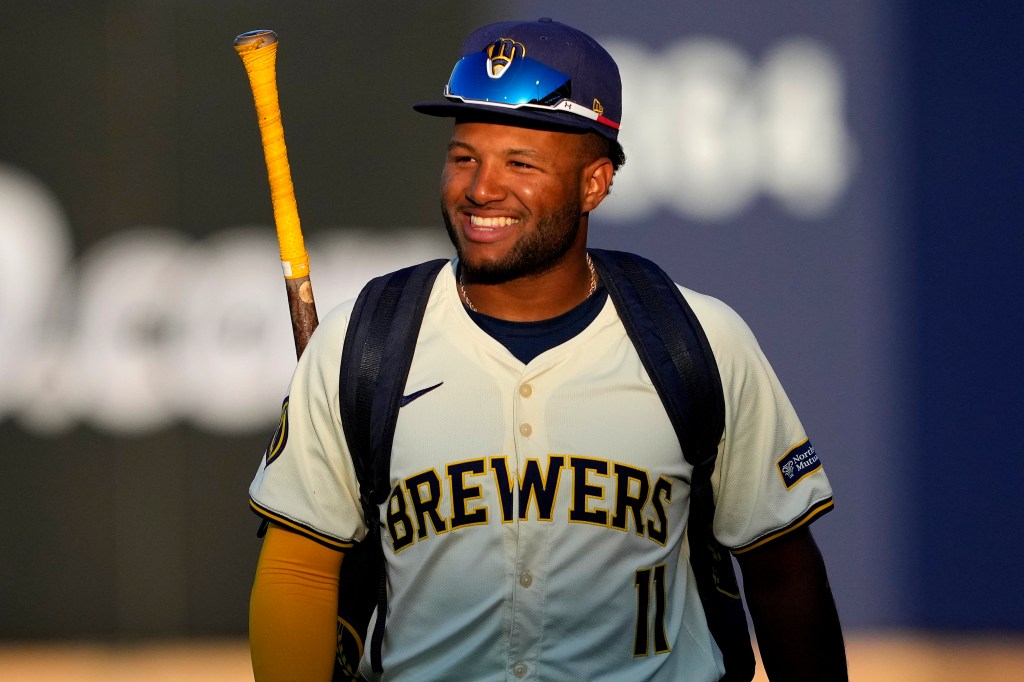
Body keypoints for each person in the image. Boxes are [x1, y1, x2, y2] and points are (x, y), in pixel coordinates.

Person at [247, 17, 847, 682]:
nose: (481, 189)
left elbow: (782, 573)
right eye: (464, 157)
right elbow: (298, 567)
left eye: (520, 164)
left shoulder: (696, 340)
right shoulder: (363, 341)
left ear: (593, 183)